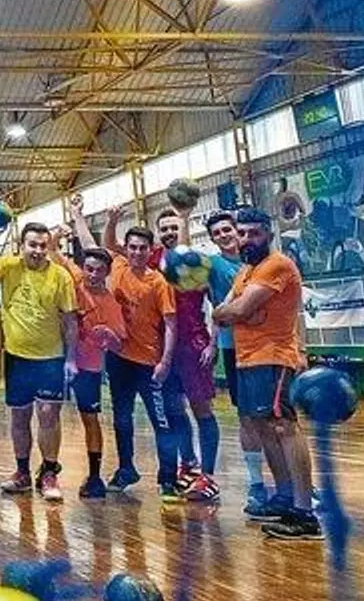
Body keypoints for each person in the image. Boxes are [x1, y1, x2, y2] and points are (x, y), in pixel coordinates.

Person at [212, 207, 320, 541]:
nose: (247, 239)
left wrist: (238, 312)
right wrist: (234, 312)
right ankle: (284, 497)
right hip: (247, 359)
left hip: (274, 358)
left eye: (254, 233)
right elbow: (221, 313)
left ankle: (304, 513)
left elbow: (237, 309)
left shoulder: (277, 265)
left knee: (283, 427)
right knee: (263, 428)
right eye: (242, 233)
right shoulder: (246, 271)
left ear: (268, 234)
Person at [106, 202, 222, 501]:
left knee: (201, 409)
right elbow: (113, 246)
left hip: (193, 346)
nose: (170, 233)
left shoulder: (197, 263)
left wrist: (213, 342)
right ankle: (187, 465)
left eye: (175, 227)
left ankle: (207, 476)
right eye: (165, 229)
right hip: (160, 350)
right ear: (158, 234)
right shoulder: (153, 259)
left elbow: (219, 305)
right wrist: (108, 219)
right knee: (174, 411)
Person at [0, 220, 77, 502]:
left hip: (50, 358)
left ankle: (49, 472)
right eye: (32, 245)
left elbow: (70, 321)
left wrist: (71, 358)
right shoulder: (8, 266)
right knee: (20, 416)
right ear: (22, 246)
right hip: (17, 357)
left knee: (48, 414)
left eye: (43, 245)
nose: (38, 250)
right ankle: (22, 472)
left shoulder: (61, 276)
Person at [88, 214, 181, 502]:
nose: (137, 252)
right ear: (126, 249)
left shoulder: (159, 283)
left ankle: (168, 478)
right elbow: (106, 243)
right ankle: (126, 469)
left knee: (160, 422)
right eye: (132, 247)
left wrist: (165, 361)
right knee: (121, 419)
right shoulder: (118, 267)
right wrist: (112, 220)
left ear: (150, 250)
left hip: (149, 363)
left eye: (142, 248)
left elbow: (171, 324)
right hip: (119, 359)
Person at [50, 227, 127, 500]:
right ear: (83, 267)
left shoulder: (112, 304)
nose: (93, 275)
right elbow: (52, 251)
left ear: (107, 272)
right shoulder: (74, 278)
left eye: (99, 271)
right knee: (48, 414)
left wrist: (109, 336)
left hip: (89, 367)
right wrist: (58, 234)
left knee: (90, 419)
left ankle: (94, 476)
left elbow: (119, 344)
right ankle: (48, 468)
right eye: (89, 269)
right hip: (57, 358)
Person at [206, 209, 268, 514]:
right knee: (246, 415)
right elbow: (220, 309)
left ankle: (293, 484)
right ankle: (257, 483)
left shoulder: (262, 264)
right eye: (217, 233)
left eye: (228, 230)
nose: (225, 236)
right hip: (235, 348)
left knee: (279, 420)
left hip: (269, 348)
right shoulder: (214, 265)